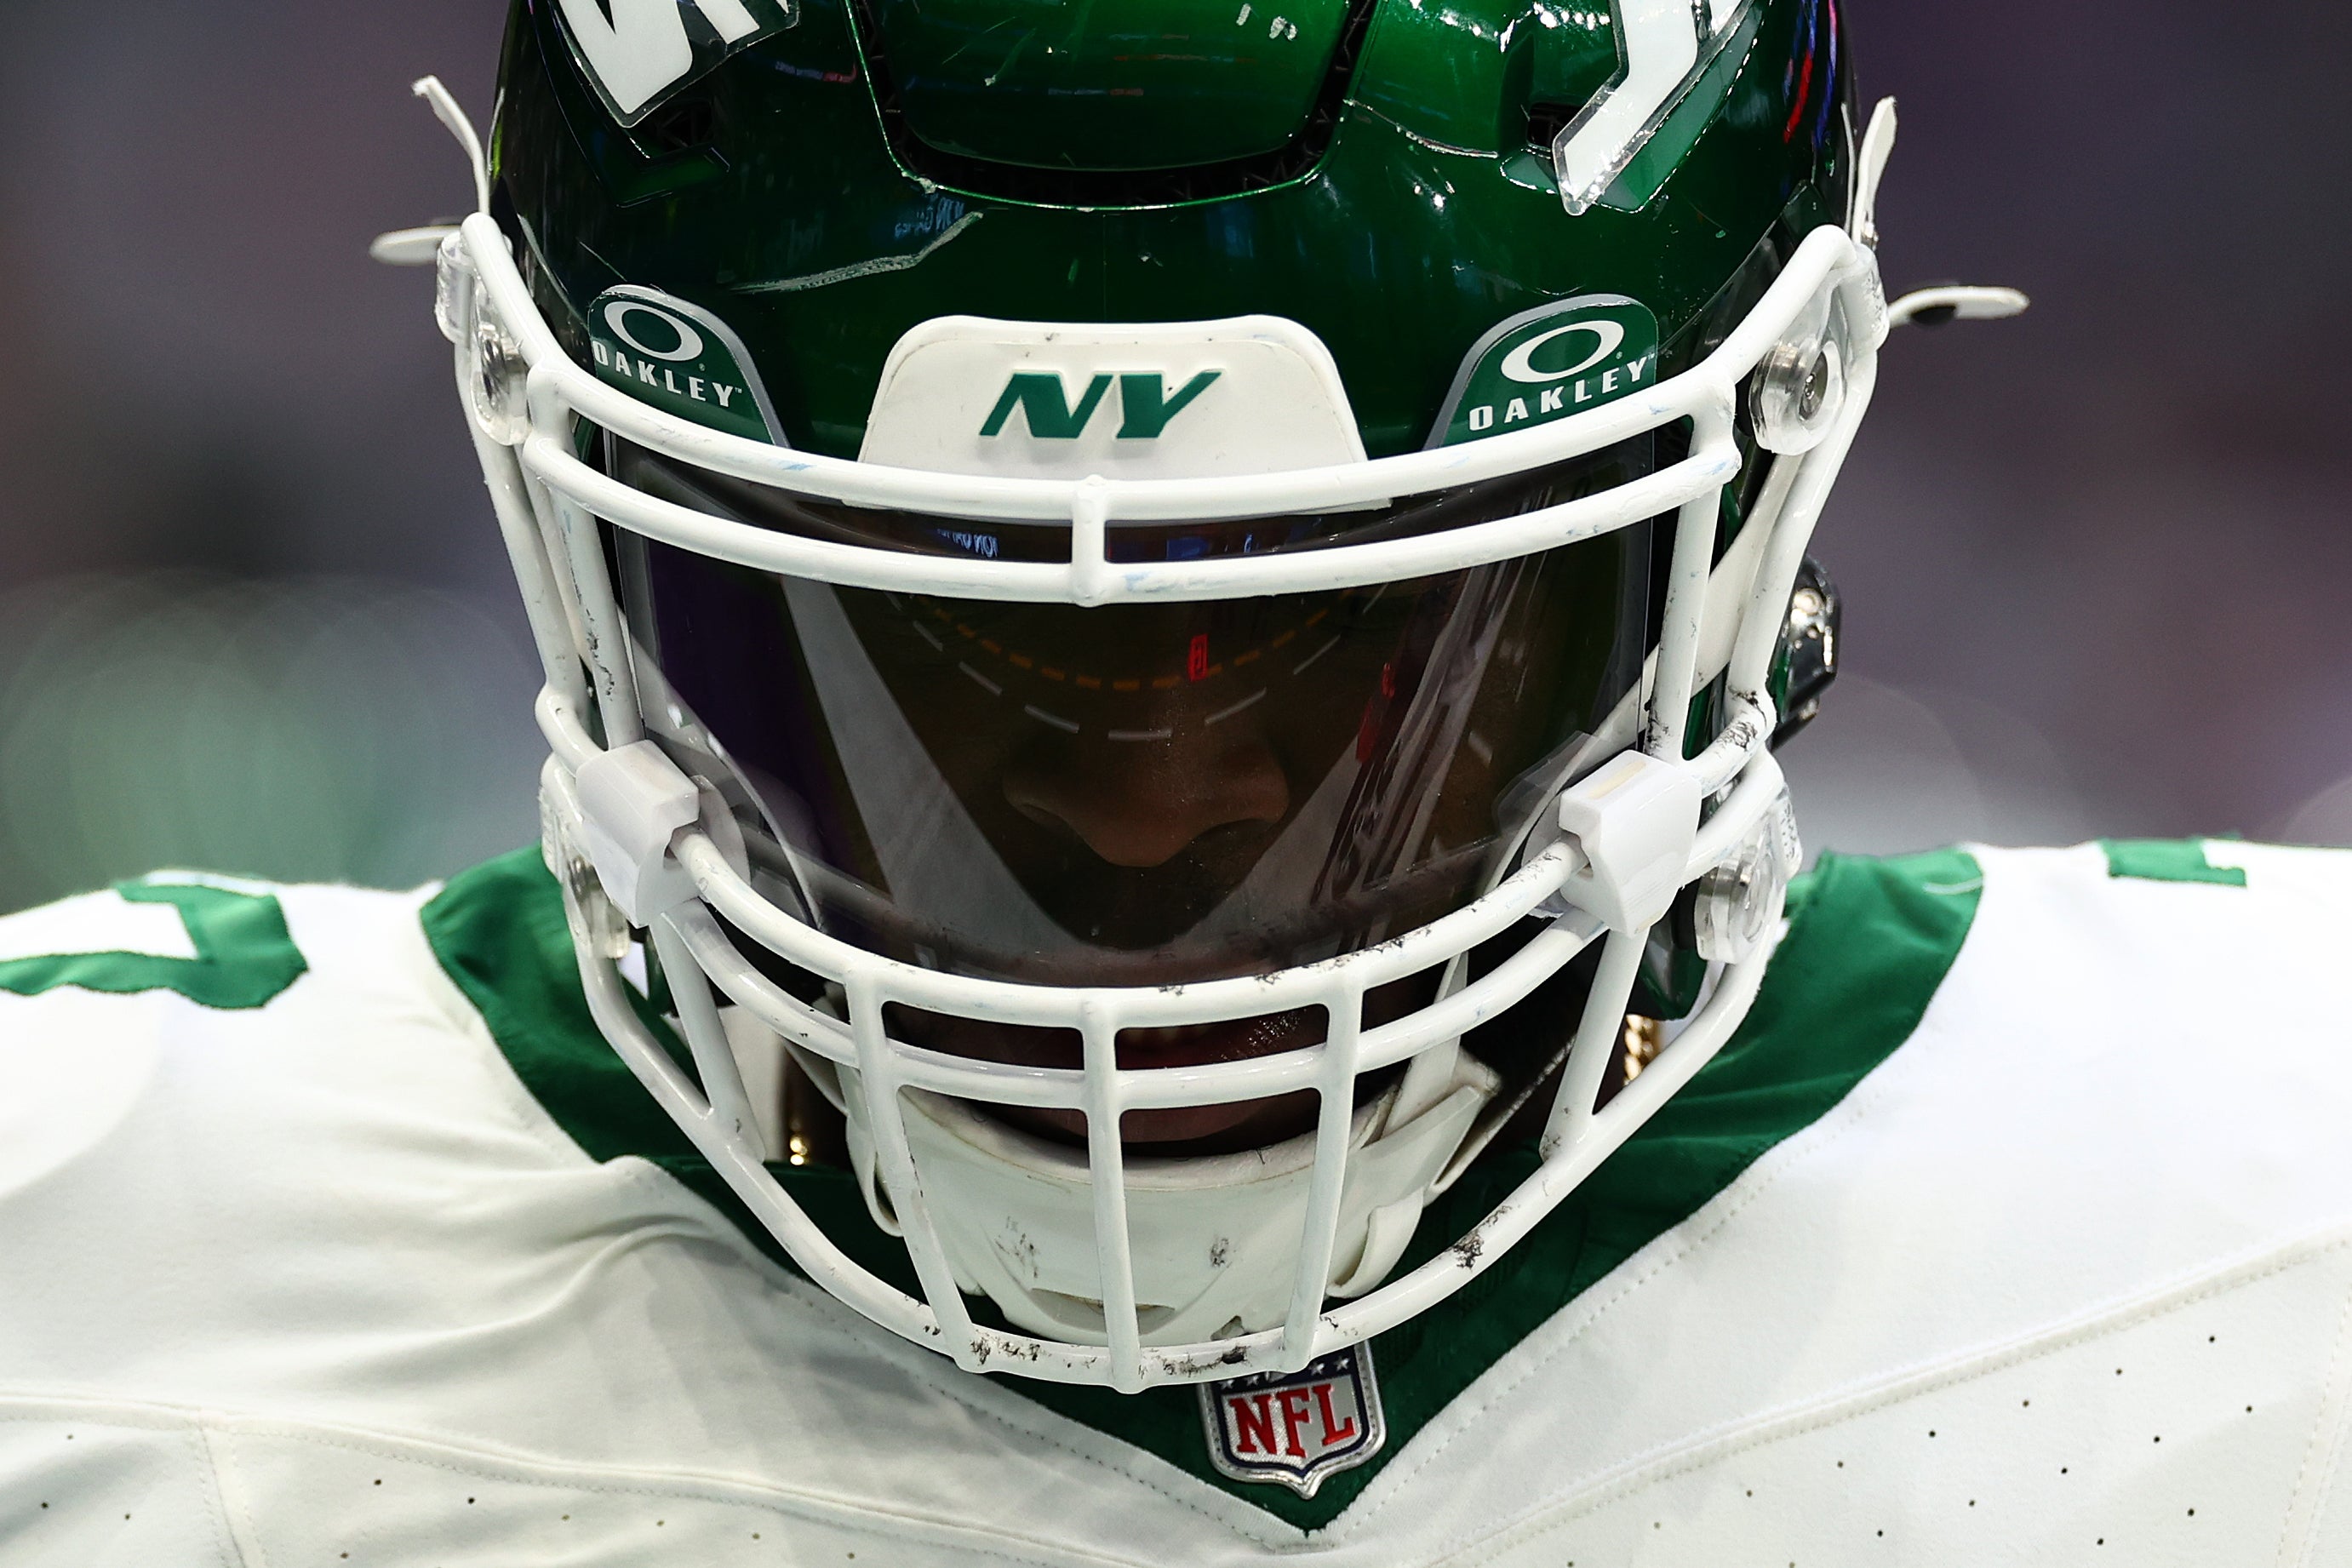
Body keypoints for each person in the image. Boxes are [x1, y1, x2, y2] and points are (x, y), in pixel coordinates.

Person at [4, 1, 2348, 1560]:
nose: (1146, 825)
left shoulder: (2271, 1204)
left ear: (1743, 507)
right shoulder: (87, 1251)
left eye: (1347, 667)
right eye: (934, 659)